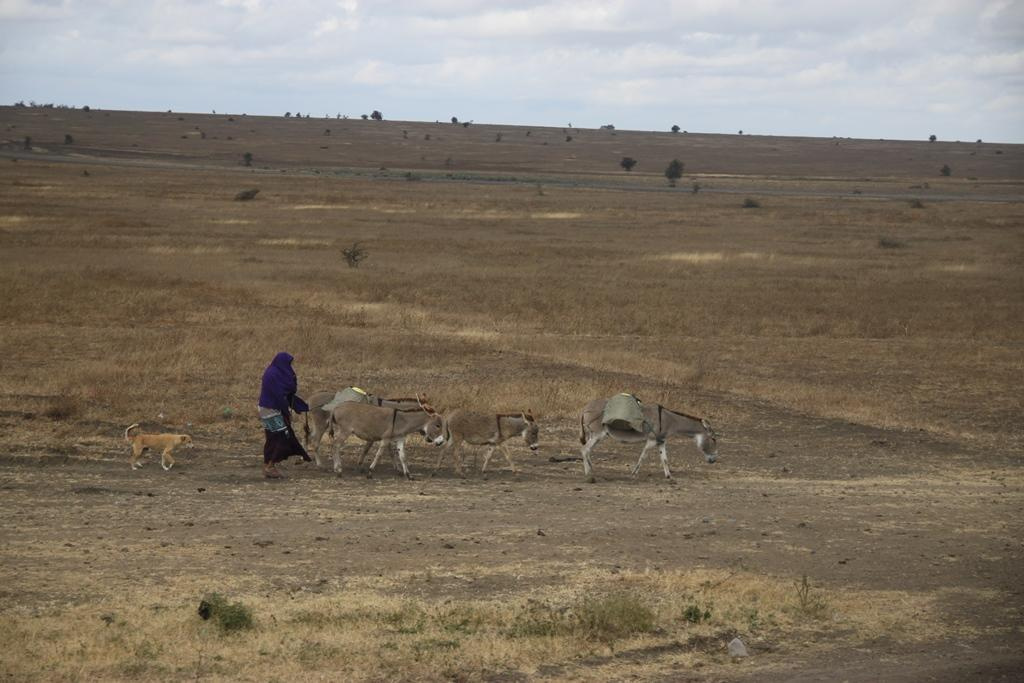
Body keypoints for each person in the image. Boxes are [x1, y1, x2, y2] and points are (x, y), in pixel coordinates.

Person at [257, 352, 311, 478]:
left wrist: (300, 406)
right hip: (270, 409)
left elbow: (287, 394)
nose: (290, 366)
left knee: (273, 437)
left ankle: (268, 465)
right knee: (282, 437)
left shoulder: (276, 372)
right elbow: (279, 396)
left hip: (270, 408)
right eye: (289, 363)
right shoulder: (273, 375)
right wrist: (286, 413)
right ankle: (270, 466)